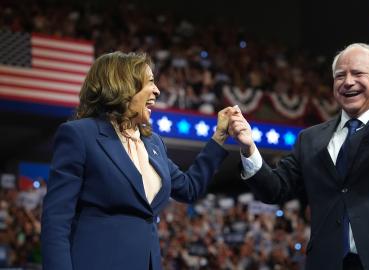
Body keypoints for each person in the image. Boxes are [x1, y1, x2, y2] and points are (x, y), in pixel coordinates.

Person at [228, 0, 369, 269]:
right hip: (330, 261)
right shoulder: (310, 139)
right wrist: (249, 148)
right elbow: (275, 189)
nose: (348, 81)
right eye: (340, 75)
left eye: (358, 73)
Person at [41, 51, 235, 270]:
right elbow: (56, 221)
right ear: (123, 85)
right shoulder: (80, 135)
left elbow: (189, 188)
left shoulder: (153, 144)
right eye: (150, 82)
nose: (157, 90)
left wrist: (219, 137)